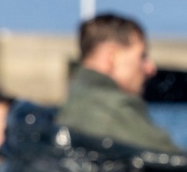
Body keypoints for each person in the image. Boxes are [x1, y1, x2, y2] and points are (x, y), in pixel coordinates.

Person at [55, 13, 179, 153]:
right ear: (111, 58)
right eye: (142, 56)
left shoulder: (75, 104)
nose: (151, 68)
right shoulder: (113, 111)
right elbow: (172, 158)